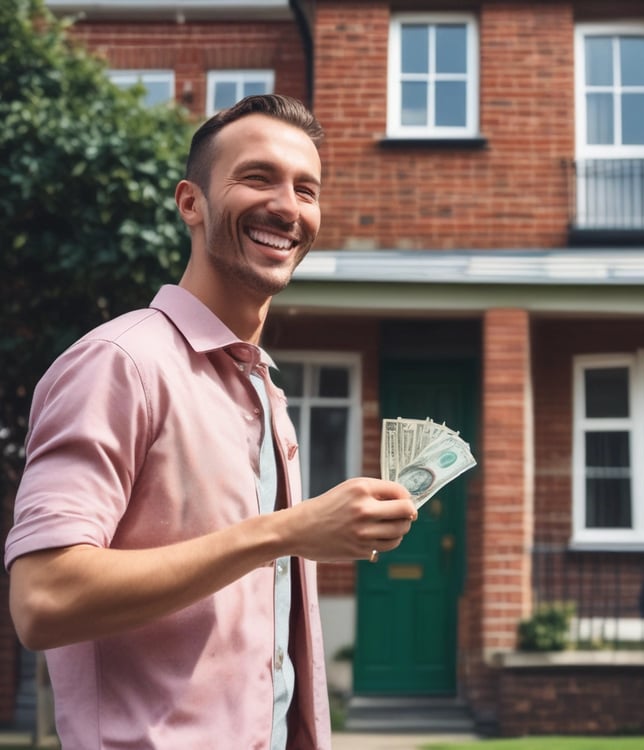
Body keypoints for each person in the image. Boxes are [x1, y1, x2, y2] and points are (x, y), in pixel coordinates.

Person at [4, 94, 417, 750]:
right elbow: (43, 599)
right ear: (190, 203)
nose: (288, 207)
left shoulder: (266, 389)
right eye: (257, 178)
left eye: (306, 189)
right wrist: (288, 530)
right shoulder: (120, 363)